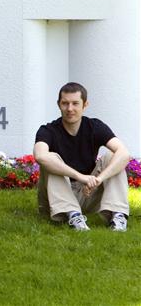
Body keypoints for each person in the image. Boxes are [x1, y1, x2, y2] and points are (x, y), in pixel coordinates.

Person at [33, 82, 130, 231]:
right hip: (57, 198)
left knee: (113, 155)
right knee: (50, 158)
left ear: (85, 105)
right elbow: (40, 156)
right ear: (58, 104)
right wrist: (80, 177)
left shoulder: (95, 126)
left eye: (75, 103)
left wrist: (98, 179)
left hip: (88, 193)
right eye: (65, 103)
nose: (70, 109)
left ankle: (118, 217)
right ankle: (73, 216)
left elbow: (124, 153)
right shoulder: (48, 130)